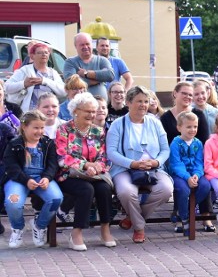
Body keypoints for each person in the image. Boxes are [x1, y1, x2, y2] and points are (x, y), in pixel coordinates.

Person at [107, 86, 174, 244]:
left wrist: (156, 162)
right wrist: (133, 164)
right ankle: (139, 228)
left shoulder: (155, 123)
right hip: (125, 168)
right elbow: (111, 152)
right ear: (128, 102)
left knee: (166, 190)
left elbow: (165, 149)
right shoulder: (118, 124)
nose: (143, 105)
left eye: (146, 101)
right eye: (139, 101)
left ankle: (133, 218)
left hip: (154, 168)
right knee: (126, 192)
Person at [55, 93, 115, 250]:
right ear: (76, 111)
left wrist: (97, 167)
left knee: (104, 188)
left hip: (94, 175)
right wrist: (85, 165)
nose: (92, 115)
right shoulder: (64, 129)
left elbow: (104, 157)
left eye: (93, 111)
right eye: (87, 111)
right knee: (86, 190)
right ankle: (76, 233)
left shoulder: (98, 131)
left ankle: (105, 229)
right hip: (68, 175)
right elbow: (62, 157)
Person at [3, 111, 62, 249]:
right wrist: (26, 180)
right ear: (24, 127)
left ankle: (39, 226)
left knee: (56, 199)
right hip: (19, 179)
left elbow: (52, 164)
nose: (40, 131)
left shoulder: (47, 143)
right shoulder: (14, 143)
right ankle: (17, 228)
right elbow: (11, 167)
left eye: (42, 128)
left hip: (41, 178)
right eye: (36, 127)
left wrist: (47, 178)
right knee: (13, 202)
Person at [168, 111, 213, 234]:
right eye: (188, 127)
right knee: (183, 190)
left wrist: (197, 175)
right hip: (180, 175)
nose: (192, 129)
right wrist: (188, 178)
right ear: (179, 128)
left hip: (194, 174)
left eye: (195, 126)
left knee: (205, 186)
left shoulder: (198, 143)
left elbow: (199, 162)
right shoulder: (175, 143)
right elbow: (176, 164)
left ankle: (185, 211)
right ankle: (185, 219)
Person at [5, 41, 66, 111]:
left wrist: (45, 81)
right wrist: (24, 84)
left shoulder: (53, 73)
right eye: (39, 53)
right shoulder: (25, 70)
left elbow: (64, 92)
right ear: (32, 56)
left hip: (48, 113)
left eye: (46, 52)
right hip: (30, 114)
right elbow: (7, 87)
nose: (44, 55)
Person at [63, 32, 114, 99]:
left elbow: (110, 75)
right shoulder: (70, 62)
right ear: (76, 46)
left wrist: (86, 73)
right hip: (79, 106)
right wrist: (99, 79)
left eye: (87, 44)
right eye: (82, 45)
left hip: (100, 107)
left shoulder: (102, 60)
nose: (85, 47)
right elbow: (71, 83)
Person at [160, 81, 211, 146]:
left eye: (190, 95)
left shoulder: (199, 114)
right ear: (175, 93)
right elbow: (164, 143)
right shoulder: (165, 118)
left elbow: (204, 140)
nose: (187, 97)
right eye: (184, 93)